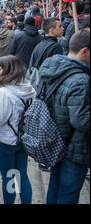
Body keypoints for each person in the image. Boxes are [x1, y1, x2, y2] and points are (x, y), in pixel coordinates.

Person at [39, 30, 90, 204]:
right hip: (75, 148)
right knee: (68, 194)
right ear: (84, 51)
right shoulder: (81, 79)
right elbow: (81, 120)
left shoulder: (53, 67)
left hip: (54, 140)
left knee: (55, 187)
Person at [0, 55, 35, 204]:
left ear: (8, 70)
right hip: (24, 138)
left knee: (9, 176)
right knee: (22, 175)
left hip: (7, 140)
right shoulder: (29, 88)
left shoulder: (4, 92)